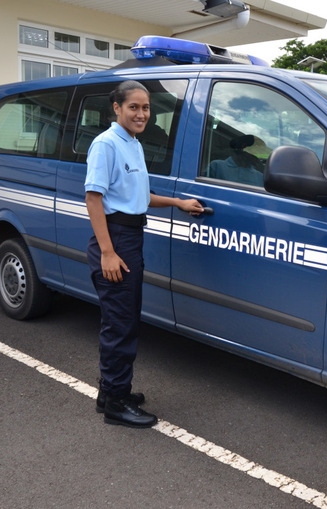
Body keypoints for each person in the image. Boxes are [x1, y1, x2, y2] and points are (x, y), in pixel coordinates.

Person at [85, 80, 203, 428]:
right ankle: (116, 405)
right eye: (133, 107)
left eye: (146, 108)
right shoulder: (106, 144)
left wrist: (178, 202)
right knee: (121, 324)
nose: (141, 114)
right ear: (116, 108)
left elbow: (140, 194)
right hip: (116, 239)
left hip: (129, 236)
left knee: (121, 319)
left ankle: (110, 392)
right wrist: (107, 252)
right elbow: (94, 198)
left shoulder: (132, 144)